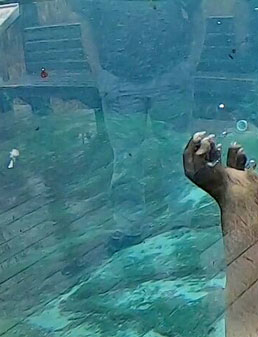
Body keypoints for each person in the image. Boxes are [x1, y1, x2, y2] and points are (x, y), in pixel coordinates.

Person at [71, 0, 206, 253]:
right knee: (126, 159)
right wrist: (100, 74)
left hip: (170, 77)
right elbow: (86, 23)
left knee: (177, 154)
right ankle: (130, 227)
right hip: (119, 81)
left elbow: (197, 12)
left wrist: (190, 64)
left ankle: (182, 220)